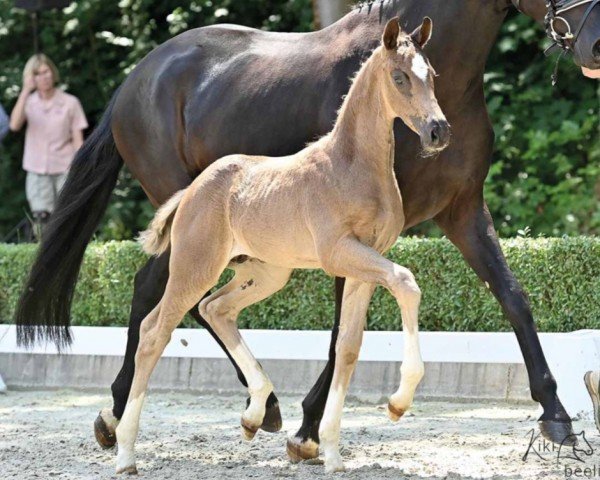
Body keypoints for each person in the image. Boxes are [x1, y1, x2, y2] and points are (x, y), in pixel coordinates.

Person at [9, 53, 88, 235]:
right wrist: (25, 91)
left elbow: (78, 140)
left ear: (53, 73)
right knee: (41, 220)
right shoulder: (28, 102)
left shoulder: (70, 102)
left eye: (46, 72)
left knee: (67, 216)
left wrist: (79, 168)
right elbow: (14, 125)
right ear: (31, 78)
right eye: (37, 74)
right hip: (37, 170)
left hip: (65, 167)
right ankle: (45, 258)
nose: (43, 77)